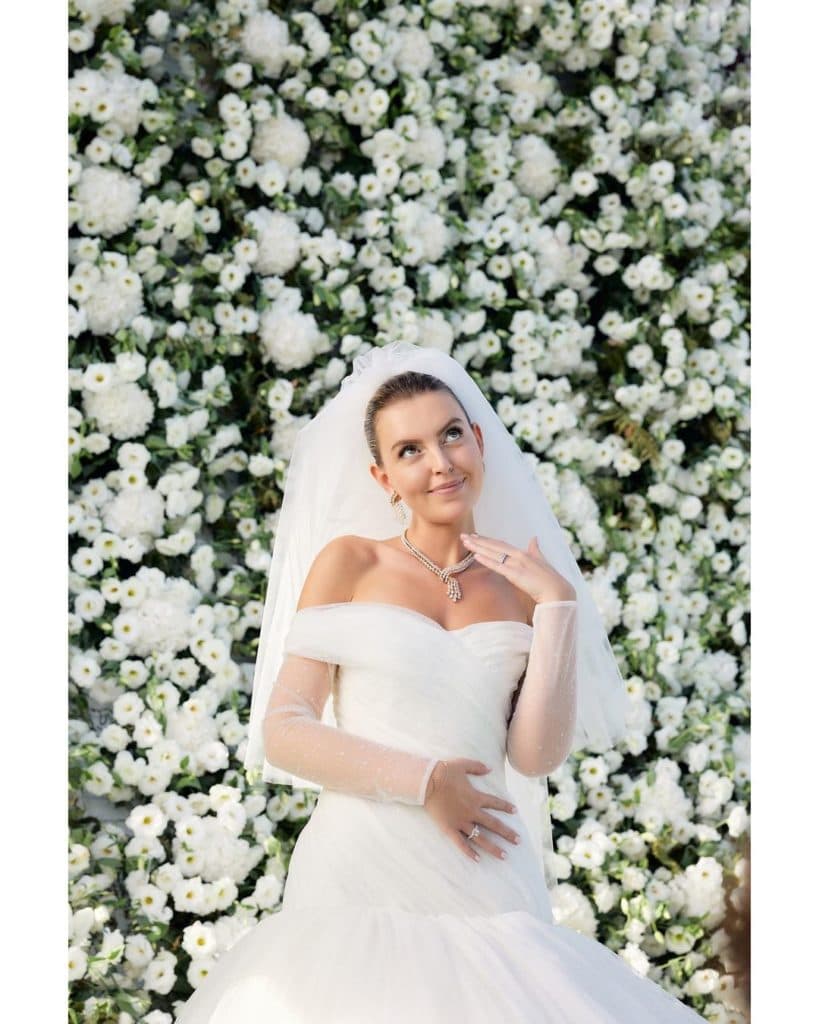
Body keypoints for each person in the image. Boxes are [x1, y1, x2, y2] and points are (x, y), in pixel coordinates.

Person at [173, 342, 707, 1022]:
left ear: (478, 440)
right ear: (383, 477)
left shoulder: (525, 586)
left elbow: (535, 756)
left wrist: (556, 607)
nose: (440, 463)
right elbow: (284, 730)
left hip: (487, 868)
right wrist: (427, 782)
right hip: (360, 868)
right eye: (410, 450)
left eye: (451, 435)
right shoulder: (350, 563)